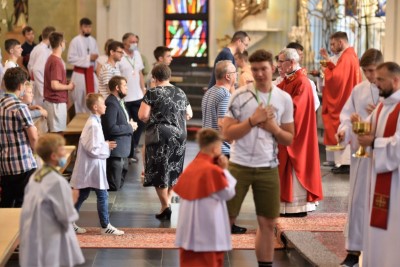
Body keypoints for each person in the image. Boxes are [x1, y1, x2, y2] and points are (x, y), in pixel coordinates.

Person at [223, 49, 294, 267]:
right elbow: (227, 134)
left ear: (272, 68)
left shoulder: (284, 98)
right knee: (226, 220)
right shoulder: (239, 95)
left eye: (264, 68)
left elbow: (289, 139)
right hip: (239, 164)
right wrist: (252, 121)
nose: (260, 73)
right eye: (255, 69)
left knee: (267, 223)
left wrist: (273, 127)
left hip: (268, 167)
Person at [336, 49, 383, 267]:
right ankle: (353, 251)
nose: (369, 76)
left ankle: (380, 251)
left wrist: (380, 114)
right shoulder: (359, 90)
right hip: (363, 157)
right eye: (365, 71)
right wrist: (345, 129)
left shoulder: (393, 91)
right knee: (358, 202)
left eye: (372, 71)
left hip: (385, 157)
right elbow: (346, 116)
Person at [357, 62, 400, 267]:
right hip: (379, 180)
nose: (376, 83)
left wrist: (373, 142)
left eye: (381, 79)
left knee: (393, 235)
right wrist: (359, 126)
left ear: (396, 80)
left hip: (396, 184)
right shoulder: (383, 106)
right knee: (377, 234)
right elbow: (368, 127)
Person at [19, 133, 84, 267]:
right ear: (54, 156)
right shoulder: (57, 181)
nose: (65, 152)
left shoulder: (37, 175)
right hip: (49, 236)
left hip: (33, 233)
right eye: (61, 149)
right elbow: (66, 216)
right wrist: (72, 201)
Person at [174, 128, 236, 267]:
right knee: (208, 261)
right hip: (207, 226)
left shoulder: (192, 166)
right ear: (215, 149)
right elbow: (228, 193)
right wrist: (225, 169)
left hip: (188, 229)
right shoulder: (212, 170)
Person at [138, 63, 192, 220]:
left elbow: (142, 116)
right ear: (169, 76)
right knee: (174, 168)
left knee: (159, 170)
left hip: (159, 135)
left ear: (154, 77)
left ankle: (165, 205)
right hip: (180, 134)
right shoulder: (180, 92)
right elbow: (189, 114)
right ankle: (166, 204)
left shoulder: (152, 92)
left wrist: (157, 116)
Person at [276, 48, 323, 216]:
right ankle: (285, 204)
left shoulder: (302, 82)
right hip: (285, 131)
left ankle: (297, 205)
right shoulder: (287, 81)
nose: (278, 65)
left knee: (295, 166)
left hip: (297, 135)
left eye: (282, 62)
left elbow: (297, 109)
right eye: (278, 61)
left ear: (292, 63)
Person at [70, 93, 124, 235]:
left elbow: (94, 144)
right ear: (95, 107)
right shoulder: (93, 124)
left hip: (92, 166)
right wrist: (106, 146)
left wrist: (104, 144)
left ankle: (69, 222)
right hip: (91, 165)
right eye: (102, 103)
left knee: (83, 194)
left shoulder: (96, 121)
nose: (105, 106)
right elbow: (93, 148)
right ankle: (105, 225)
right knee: (102, 195)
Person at [320, 31, 361, 172]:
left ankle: (345, 163)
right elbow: (338, 73)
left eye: (333, 44)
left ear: (340, 42)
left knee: (342, 126)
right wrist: (328, 63)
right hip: (346, 97)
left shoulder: (347, 57)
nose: (331, 47)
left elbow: (337, 79)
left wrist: (326, 70)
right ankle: (338, 161)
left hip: (343, 99)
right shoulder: (349, 55)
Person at [0, 67, 38, 207]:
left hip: (5, 164)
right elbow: (33, 137)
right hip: (23, 164)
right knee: (26, 204)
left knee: (7, 204)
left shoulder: (1, 104)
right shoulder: (20, 106)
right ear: (21, 86)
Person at [101, 76, 137, 191]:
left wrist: (129, 124)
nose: (127, 88)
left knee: (118, 185)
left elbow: (121, 121)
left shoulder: (120, 102)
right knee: (114, 186)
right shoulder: (111, 103)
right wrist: (129, 127)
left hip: (124, 150)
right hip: (116, 151)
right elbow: (111, 128)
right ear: (117, 87)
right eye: (124, 85)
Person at [119, 32, 146, 163]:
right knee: (127, 124)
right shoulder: (121, 56)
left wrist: (143, 89)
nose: (135, 44)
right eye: (132, 42)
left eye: (136, 41)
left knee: (140, 123)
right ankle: (127, 150)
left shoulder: (137, 54)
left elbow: (140, 72)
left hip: (138, 95)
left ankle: (133, 146)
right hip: (125, 97)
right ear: (125, 43)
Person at [202, 60, 235, 158]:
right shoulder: (225, 95)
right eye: (235, 72)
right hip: (222, 151)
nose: (236, 75)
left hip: (208, 147)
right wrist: (232, 140)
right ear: (228, 76)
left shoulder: (209, 92)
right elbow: (222, 124)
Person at [43, 32, 75, 132]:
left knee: (58, 132)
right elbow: (55, 85)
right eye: (64, 42)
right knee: (57, 133)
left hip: (55, 102)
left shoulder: (53, 58)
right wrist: (69, 87)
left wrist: (65, 82)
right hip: (55, 102)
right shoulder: (56, 61)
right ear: (61, 43)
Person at [68, 17, 99, 113]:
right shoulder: (75, 41)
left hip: (90, 73)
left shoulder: (93, 40)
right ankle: (79, 120)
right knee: (79, 99)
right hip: (79, 74)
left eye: (90, 27)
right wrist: (88, 58)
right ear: (81, 27)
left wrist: (93, 58)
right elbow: (70, 58)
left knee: (93, 97)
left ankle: (91, 117)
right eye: (85, 27)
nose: (88, 29)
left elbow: (96, 56)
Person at [286, 42, 320, 110]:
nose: (302, 57)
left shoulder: (306, 81)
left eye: (302, 54)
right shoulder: (283, 77)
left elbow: (314, 104)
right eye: (300, 54)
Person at [27, 26, 56, 105]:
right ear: (51, 37)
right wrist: (44, 92)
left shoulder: (36, 48)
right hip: (41, 87)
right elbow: (37, 70)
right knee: (41, 111)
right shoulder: (43, 50)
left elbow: (29, 67)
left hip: (35, 83)